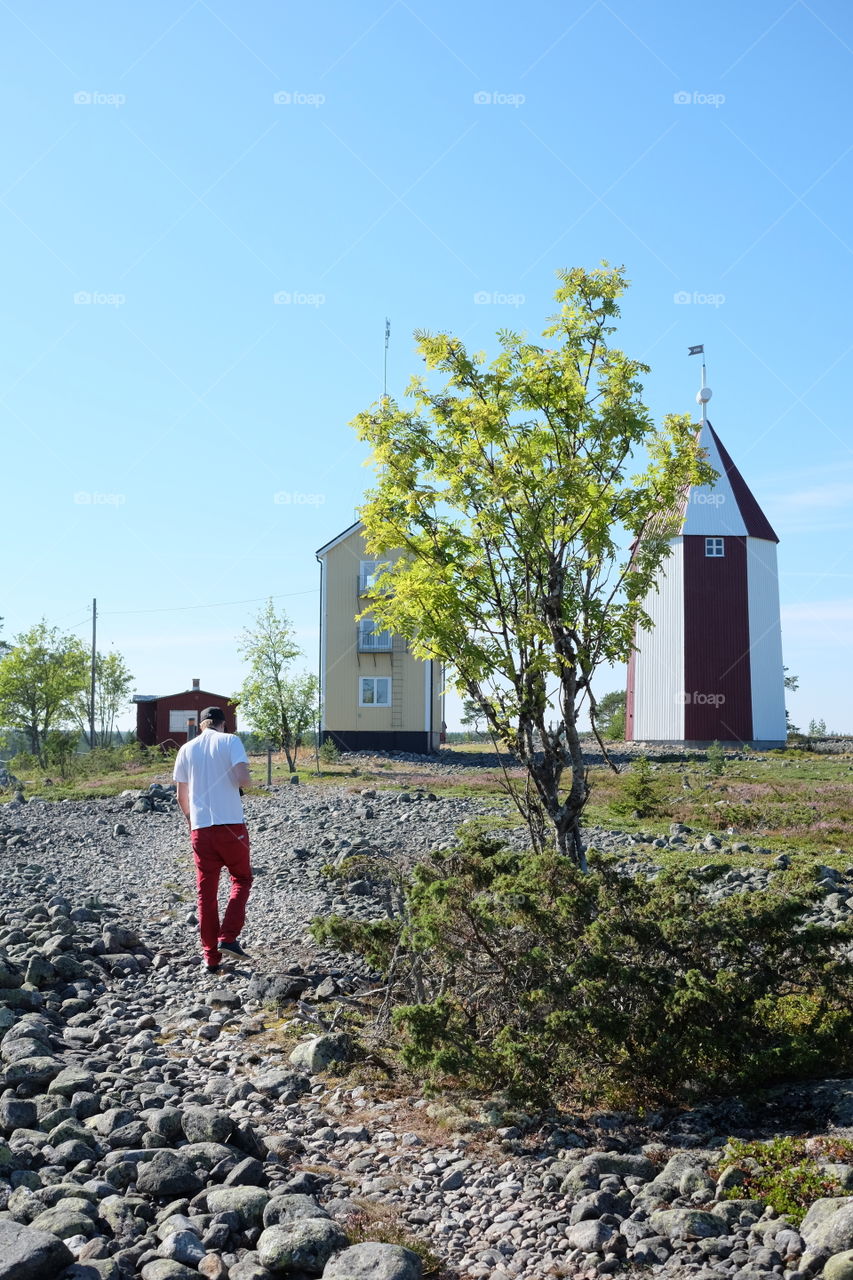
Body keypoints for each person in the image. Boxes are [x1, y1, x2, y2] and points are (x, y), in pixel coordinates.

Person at [173, 706, 253, 973]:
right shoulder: (231, 741)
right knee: (241, 878)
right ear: (223, 725)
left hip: (201, 829)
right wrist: (242, 780)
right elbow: (244, 780)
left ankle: (210, 958)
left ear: (201, 726)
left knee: (206, 895)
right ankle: (228, 938)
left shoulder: (186, 749)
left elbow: (180, 798)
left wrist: (191, 823)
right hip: (231, 825)